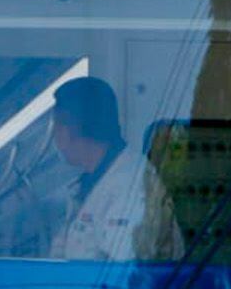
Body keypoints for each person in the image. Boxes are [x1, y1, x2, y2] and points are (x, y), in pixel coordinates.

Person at [46, 77, 184, 263]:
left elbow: (120, 276)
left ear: (71, 129)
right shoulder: (90, 183)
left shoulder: (131, 187)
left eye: (57, 126)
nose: (54, 136)